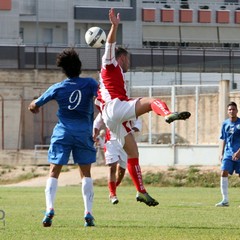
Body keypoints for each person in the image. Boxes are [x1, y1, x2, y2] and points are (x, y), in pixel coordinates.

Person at [95, 8, 191, 207]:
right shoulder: (110, 63)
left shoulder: (113, 76)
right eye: (127, 59)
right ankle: (167, 114)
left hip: (111, 117)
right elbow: (110, 45)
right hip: (114, 108)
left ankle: (141, 192)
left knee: (133, 152)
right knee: (150, 102)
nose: (129, 62)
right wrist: (114, 26)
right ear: (121, 58)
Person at [28, 48, 98, 227]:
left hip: (63, 133)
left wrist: (34, 107)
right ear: (80, 67)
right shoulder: (90, 84)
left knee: (54, 171)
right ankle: (88, 212)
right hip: (84, 132)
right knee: (86, 173)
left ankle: (49, 208)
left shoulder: (58, 88)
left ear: (64, 70)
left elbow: (35, 104)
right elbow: (102, 99)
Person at [93, 113, 142, 204]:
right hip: (111, 142)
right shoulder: (106, 106)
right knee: (112, 167)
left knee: (121, 171)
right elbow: (97, 122)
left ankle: (113, 188)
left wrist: (130, 130)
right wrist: (94, 134)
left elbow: (138, 123)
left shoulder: (129, 107)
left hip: (125, 142)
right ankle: (112, 194)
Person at [215, 101, 240, 207]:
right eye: (230, 109)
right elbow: (224, 139)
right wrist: (221, 153)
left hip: (239, 153)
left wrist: (238, 152)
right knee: (223, 172)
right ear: (227, 111)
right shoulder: (225, 123)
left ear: (237, 111)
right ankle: (225, 200)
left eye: (233, 109)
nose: (232, 111)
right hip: (228, 153)